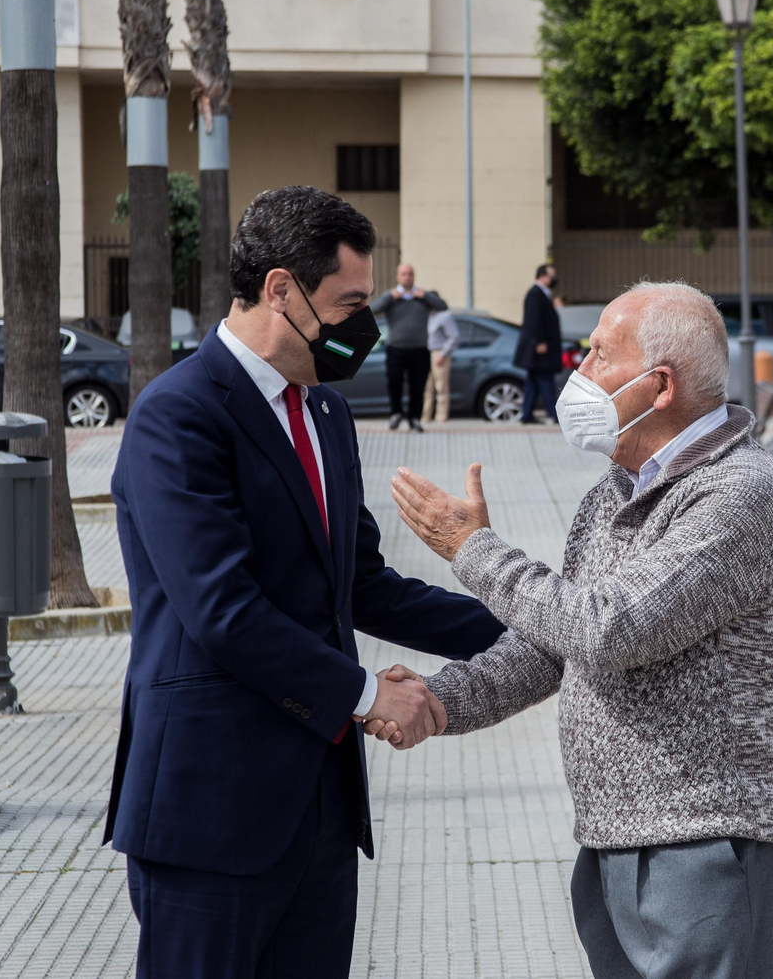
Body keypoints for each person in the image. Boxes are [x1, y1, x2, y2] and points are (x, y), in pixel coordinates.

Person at [105, 187, 504, 979]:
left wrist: (536, 621)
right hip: (210, 813)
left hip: (319, 813)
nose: (365, 326)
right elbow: (224, 611)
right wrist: (365, 693)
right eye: (350, 303)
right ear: (281, 290)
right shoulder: (177, 415)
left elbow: (365, 586)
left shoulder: (323, 412)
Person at [380, 281, 773, 979]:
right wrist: (441, 701)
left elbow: (613, 630)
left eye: (598, 356)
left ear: (659, 385)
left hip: (709, 847)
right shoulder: (617, 491)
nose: (577, 372)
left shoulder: (739, 492)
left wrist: (472, 548)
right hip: (618, 842)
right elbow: (555, 643)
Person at [371, 262, 447, 432]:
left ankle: (414, 419)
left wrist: (425, 296)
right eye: (403, 274)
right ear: (398, 277)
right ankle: (396, 414)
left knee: (418, 386)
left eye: (410, 274)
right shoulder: (391, 297)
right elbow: (371, 309)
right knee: (394, 382)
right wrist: (390, 297)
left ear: (414, 276)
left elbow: (443, 305)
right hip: (396, 349)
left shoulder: (422, 297)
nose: (407, 277)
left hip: (419, 349)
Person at [512, 263, 562, 424]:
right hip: (539, 349)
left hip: (538, 349)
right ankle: (552, 414)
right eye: (551, 275)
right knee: (545, 380)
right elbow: (533, 320)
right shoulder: (535, 294)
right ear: (542, 276)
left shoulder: (542, 293)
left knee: (533, 382)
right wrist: (539, 342)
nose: (554, 278)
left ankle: (526, 415)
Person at [422, 306, 459, 424]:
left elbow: (454, 336)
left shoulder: (444, 316)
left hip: (438, 352)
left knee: (441, 386)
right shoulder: (425, 317)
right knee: (427, 387)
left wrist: (443, 354)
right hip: (425, 352)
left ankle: (441, 417)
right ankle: (425, 416)